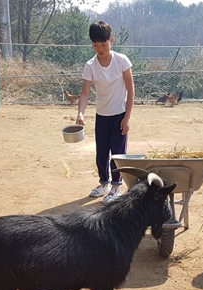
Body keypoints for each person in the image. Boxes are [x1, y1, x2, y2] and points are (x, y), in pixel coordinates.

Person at [76, 21, 135, 204]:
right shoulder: (90, 65)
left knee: (117, 153)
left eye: (103, 44)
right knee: (101, 153)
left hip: (119, 114)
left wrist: (127, 118)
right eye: (95, 45)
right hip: (102, 116)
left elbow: (130, 89)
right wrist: (80, 113)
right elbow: (85, 93)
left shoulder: (121, 61)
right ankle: (104, 184)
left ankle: (116, 187)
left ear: (111, 40)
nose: (99, 48)